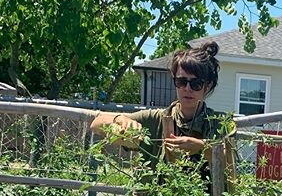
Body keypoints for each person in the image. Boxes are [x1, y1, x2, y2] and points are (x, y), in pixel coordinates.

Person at [90, 41, 224, 166]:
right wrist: (120, 120)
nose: (187, 88)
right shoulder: (155, 119)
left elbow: (231, 162)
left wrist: (201, 147)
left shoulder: (220, 123)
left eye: (196, 84)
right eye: (181, 82)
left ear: (208, 86)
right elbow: (96, 123)